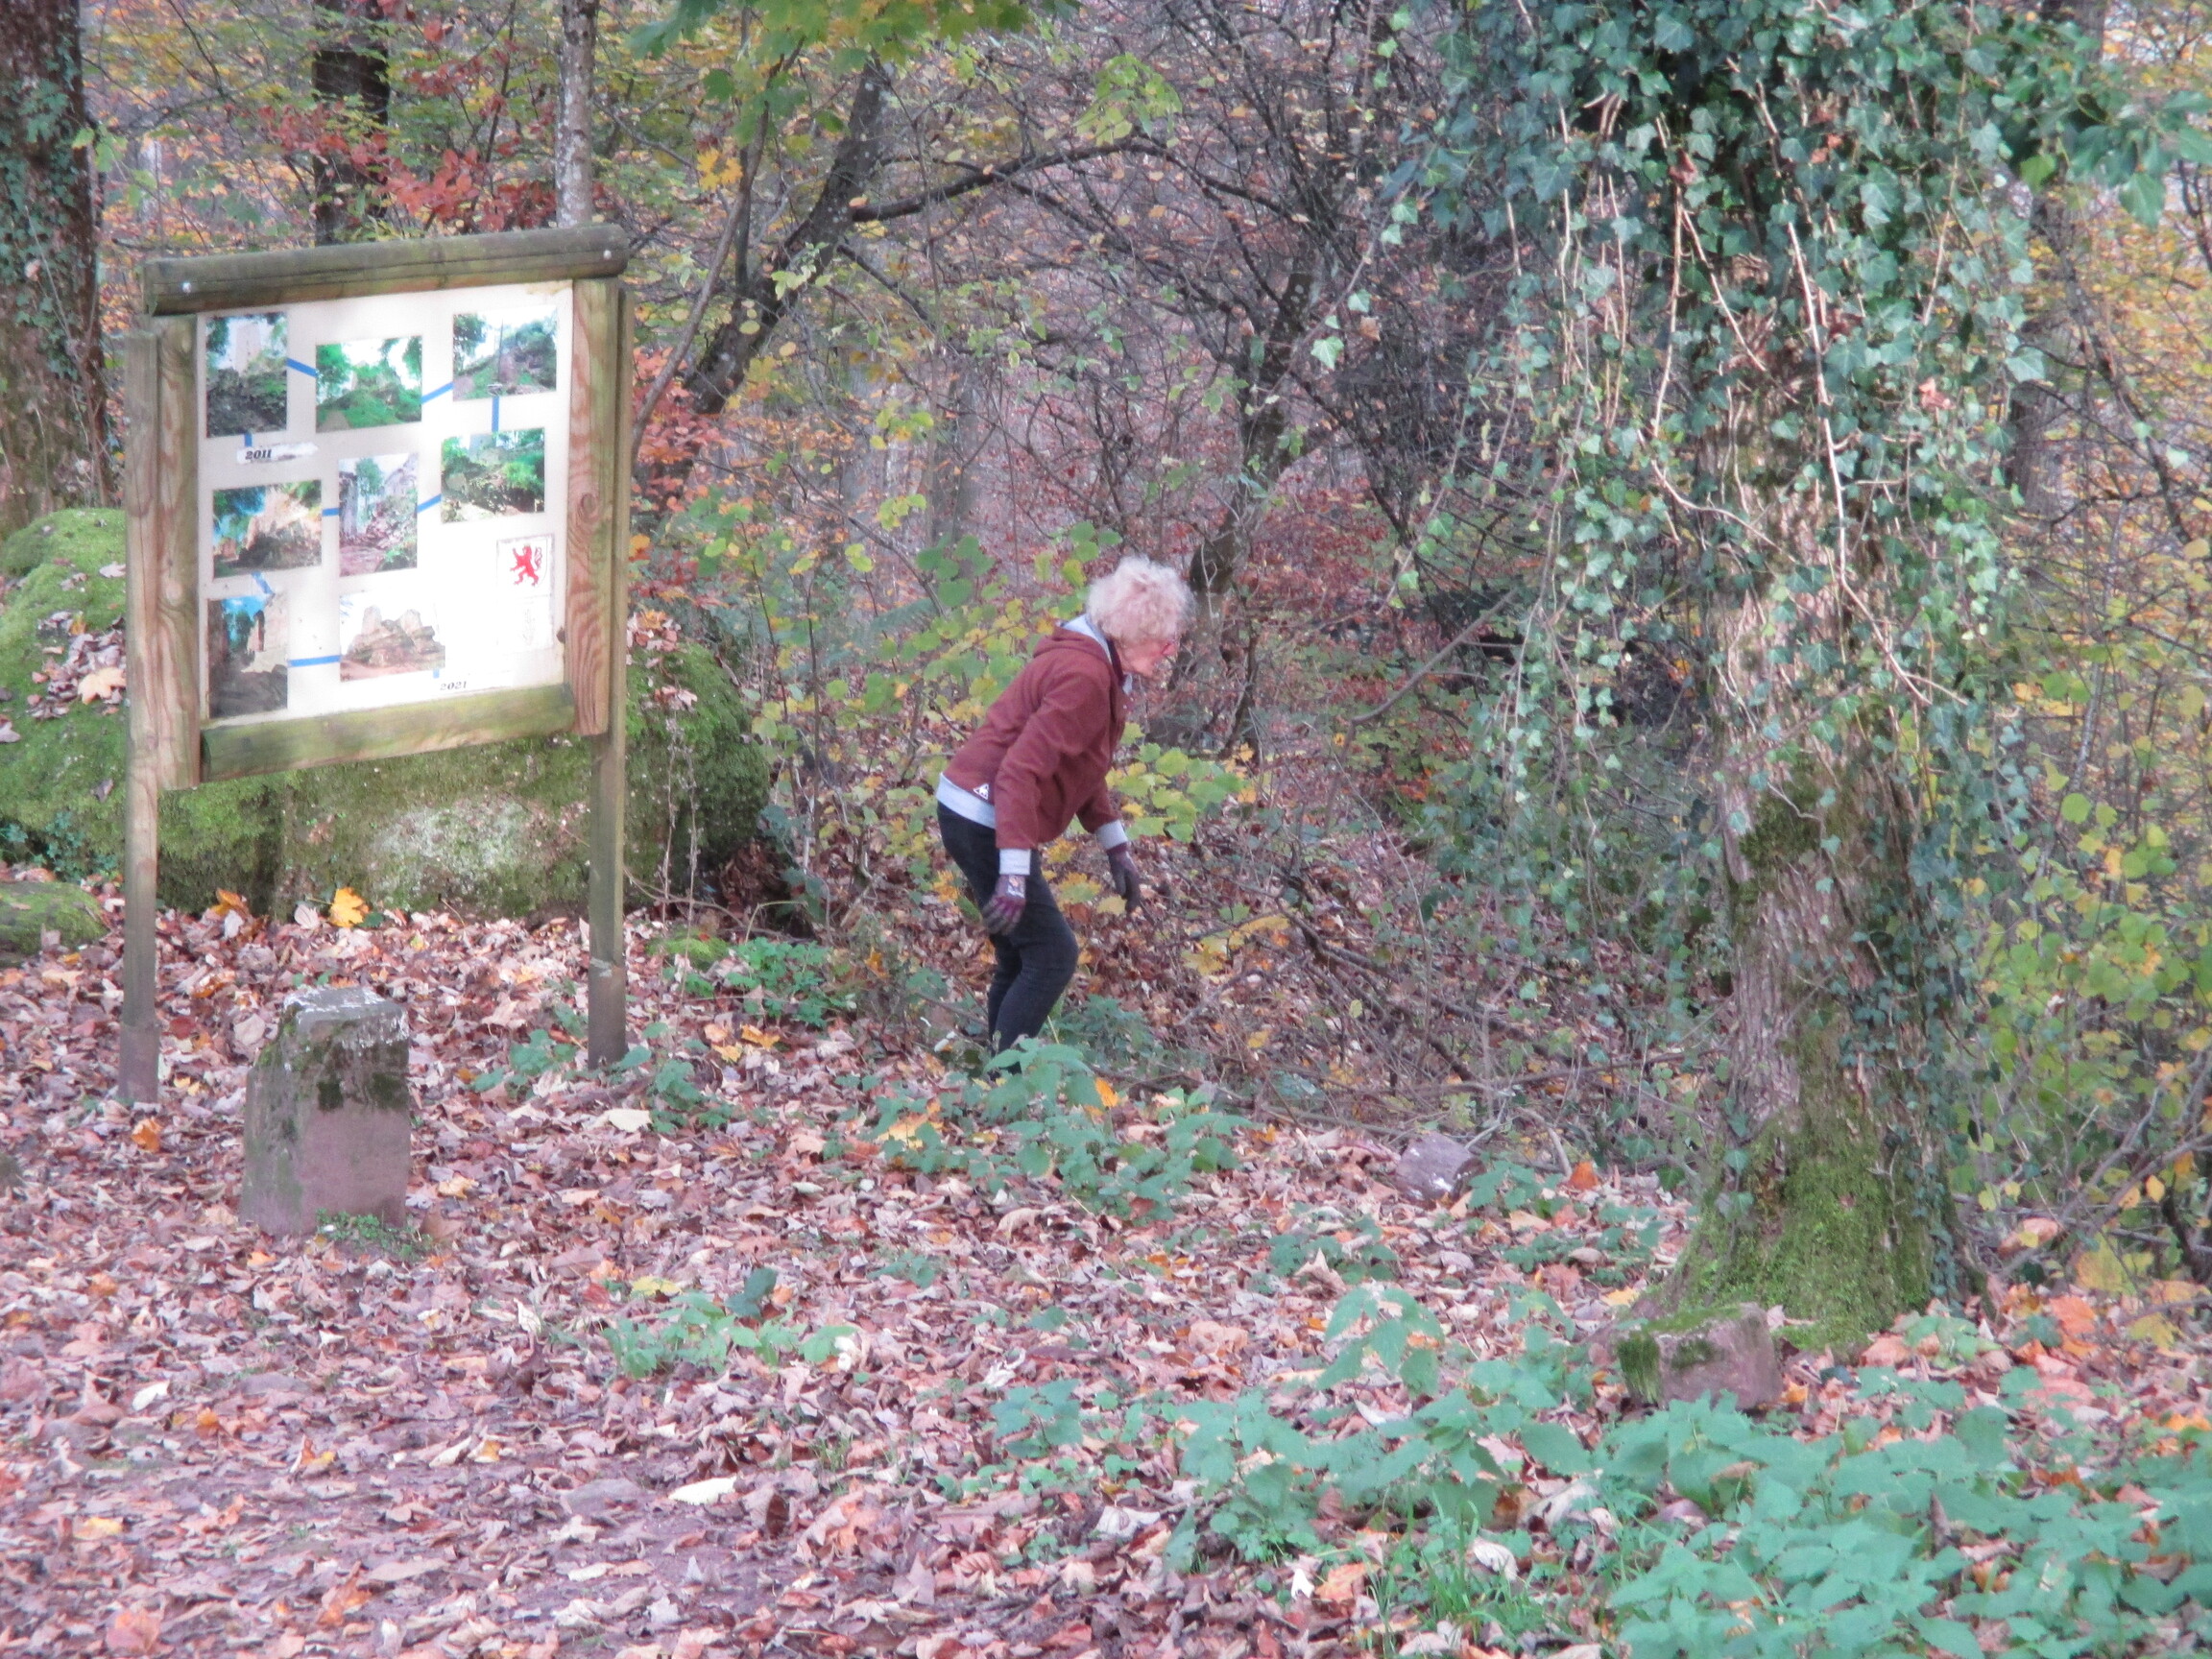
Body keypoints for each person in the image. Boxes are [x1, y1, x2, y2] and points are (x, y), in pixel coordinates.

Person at [936, 555, 1192, 1051]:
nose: (1169, 651)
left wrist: (1115, 845)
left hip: (977, 809)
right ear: (1131, 633)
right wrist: (1013, 875)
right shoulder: (1085, 676)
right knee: (1052, 955)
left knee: (1020, 955)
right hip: (983, 813)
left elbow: (1080, 765)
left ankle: (996, 1075)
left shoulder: (1102, 666)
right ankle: (1005, 1082)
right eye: (1163, 640)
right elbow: (1019, 772)